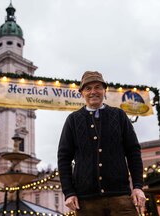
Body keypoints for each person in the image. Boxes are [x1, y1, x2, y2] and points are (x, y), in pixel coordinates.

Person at [57, 71, 146, 216]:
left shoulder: (119, 115)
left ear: (105, 91)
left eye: (98, 87)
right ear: (81, 93)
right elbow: (64, 158)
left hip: (121, 198)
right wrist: (68, 192)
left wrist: (137, 186)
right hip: (86, 202)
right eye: (88, 88)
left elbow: (133, 152)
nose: (93, 92)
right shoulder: (73, 120)